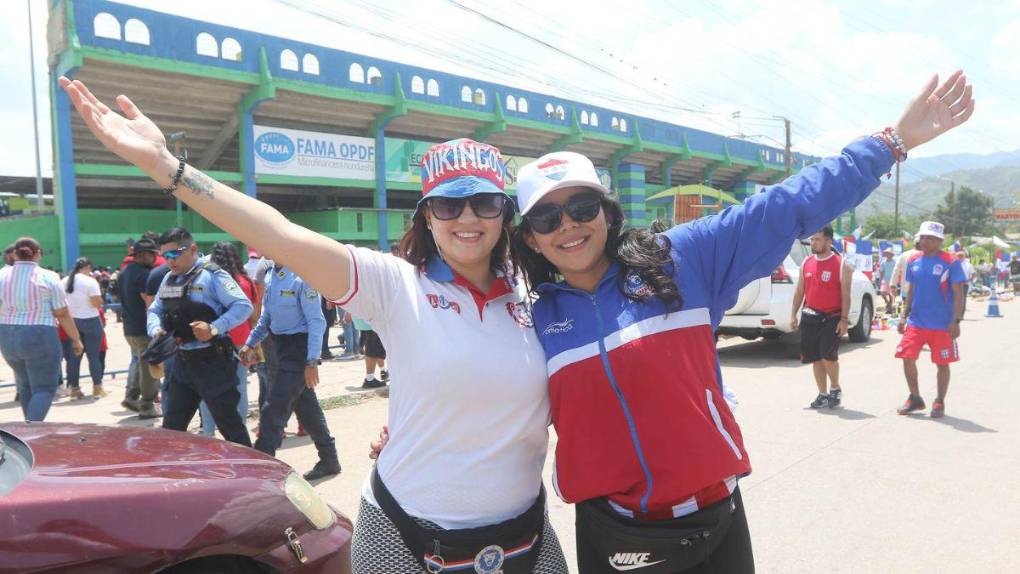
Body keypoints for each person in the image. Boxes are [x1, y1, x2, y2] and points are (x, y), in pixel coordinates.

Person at [61, 78, 568, 572]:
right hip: (407, 537)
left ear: (505, 212)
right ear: (426, 216)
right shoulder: (394, 284)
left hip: (527, 535)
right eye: (447, 203)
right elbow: (278, 233)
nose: (467, 217)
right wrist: (166, 165)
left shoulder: (534, 293)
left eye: (484, 202)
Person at [509, 71, 973, 571]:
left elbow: (786, 206)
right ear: (531, 238)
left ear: (606, 211)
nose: (569, 225)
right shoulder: (530, 319)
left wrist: (892, 143)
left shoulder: (681, 259)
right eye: (546, 218)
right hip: (611, 532)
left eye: (581, 207)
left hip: (713, 522)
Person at [146, 227, 254, 446]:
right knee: (172, 428)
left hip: (213, 363)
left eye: (174, 254)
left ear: (192, 248)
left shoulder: (213, 275)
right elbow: (154, 310)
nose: (169, 261)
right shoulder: (168, 279)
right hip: (182, 362)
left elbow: (243, 306)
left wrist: (213, 328)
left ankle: (255, 473)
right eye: (164, 256)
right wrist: (156, 329)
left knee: (231, 427)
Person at [239, 264, 340, 481]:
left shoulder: (302, 278)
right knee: (306, 408)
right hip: (279, 347)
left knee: (274, 408)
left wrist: (312, 361)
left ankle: (262, 470)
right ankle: (329, 460)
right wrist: (250, 343)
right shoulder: (270, 276)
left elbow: (316, 321)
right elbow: (267, 316)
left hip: (298, 349)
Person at [0, 237, 84, 421]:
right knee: (44, 388)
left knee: (25, 385)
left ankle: (28, 427)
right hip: (39, 333)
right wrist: (76, 339)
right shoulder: (48, 277)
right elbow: (61, 312)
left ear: (14, 254)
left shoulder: (2, 275)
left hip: (7, 335)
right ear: (38, 254)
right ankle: (31, 430)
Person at [895, 221, 966, 419]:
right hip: (917, 322)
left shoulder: (951, 262)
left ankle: (939, 401)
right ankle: (915, 397)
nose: (924, 241)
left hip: (942, 324)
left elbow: (958, 294)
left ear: (939, 241)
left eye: (929, 238)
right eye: (922, 237)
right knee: (906, 356)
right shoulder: (914, 260)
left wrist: (956, 320)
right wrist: (903, 316)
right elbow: (912, 290)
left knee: (942, 363)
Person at [199, 241, 258, 438]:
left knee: (208, 388)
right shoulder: (245, 281)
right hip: (242, 340)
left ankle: (208, 431)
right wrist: (255, 343)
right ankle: (238, 430)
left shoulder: (207, 280)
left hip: (213, 341)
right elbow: (253, 315)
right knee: (239, 386)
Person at [791, 226, 852, 409]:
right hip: (810, 316)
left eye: (817, 239)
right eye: (812, 239)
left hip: (832, 317)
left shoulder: (842, 265)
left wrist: (844, 319)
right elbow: (800, 291)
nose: (813, 243)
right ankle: (823, 394)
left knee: (827, 354)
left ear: (828, 241)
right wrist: (793, 314)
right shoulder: (806, 263)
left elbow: (846, 295)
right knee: (815, 357)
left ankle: (835, 387)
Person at [118, 237, 162, 418]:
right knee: (149, 369)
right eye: (152, 255)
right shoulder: (143, 275)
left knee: (139, 363)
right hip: (143, 328)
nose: (154, 258)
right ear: (143, 255)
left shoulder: (124, 272)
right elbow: (148, 302)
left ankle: (131, 396)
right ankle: (146, 405)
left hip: (129, 328)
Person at [62, 257, 110, 399]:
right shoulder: (90, 281)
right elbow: (96, 303)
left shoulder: (64, 281)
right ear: (88, 267)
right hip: (91, 320)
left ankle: (74, 389)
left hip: (72, 321)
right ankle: (97, 388)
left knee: (74, 358)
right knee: (93, 356)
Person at [355, 316, 388, 389]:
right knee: (374, 348)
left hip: (367, 320)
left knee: (373, 347)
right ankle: (370, 378)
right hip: (371, 320)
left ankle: (382, 371)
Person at [956, 250, 975, 316]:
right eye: (958, 256)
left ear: (964, 257)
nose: (960, 258)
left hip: (964, 284)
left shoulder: (968, 265)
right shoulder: (954, 264)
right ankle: (955, 314)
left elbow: (973, 274)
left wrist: (969, 280)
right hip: (955, 284)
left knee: (962, 299)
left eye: (961, 256)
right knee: (954, 299)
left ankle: (961, 315)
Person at [879, 247, 897, 314]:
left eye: (888, 253)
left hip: (892, 280)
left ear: (891, 254)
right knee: (882, 293)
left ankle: (889, 308)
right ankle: (888, 304)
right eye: (886, 253)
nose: (887, 254)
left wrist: (897, 280)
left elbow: (897, 271)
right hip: (885, 280)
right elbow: (881, 272)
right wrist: (880, 280)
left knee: (890, 294)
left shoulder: (895, 262)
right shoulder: (883, 262)